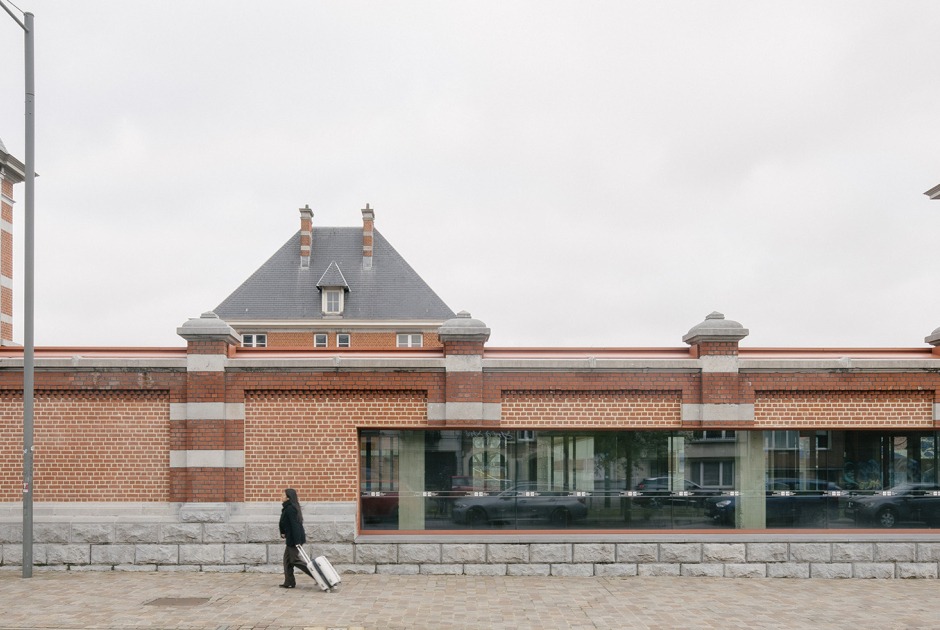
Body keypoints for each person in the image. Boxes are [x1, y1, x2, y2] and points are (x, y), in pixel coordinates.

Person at [278, 488, 314, 588]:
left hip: (294, 539)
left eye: (283, 495)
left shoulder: (290, 508)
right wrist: (283, 532)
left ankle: (316, 574)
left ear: (288, 497)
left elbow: (295, 526)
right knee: (287, 560)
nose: (281, 496)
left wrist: (297, 541)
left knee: (294, 560)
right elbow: (286, 523)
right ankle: (289, 582)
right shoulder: (288, 507)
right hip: (291, 538)